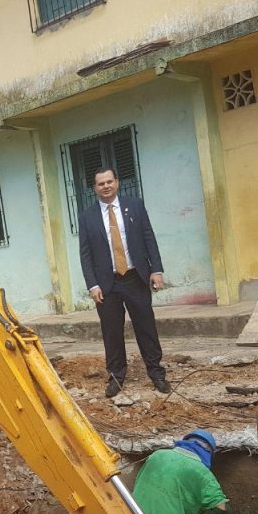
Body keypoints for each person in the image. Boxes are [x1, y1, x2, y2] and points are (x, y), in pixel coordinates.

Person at [77, 167, 170, 398]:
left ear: (117, 182)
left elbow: (149, 237)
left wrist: (156, 270)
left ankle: (157, 374)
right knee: (112, 332)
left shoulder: (135, 206)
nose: (106, 186)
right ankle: (116, 377)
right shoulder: (87, 216)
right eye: (101, 183)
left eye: (110, 181)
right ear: (94, 188)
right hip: (106, 284)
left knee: (146, 327)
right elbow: (85, 254)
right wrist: (92, 285)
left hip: (135, 277)